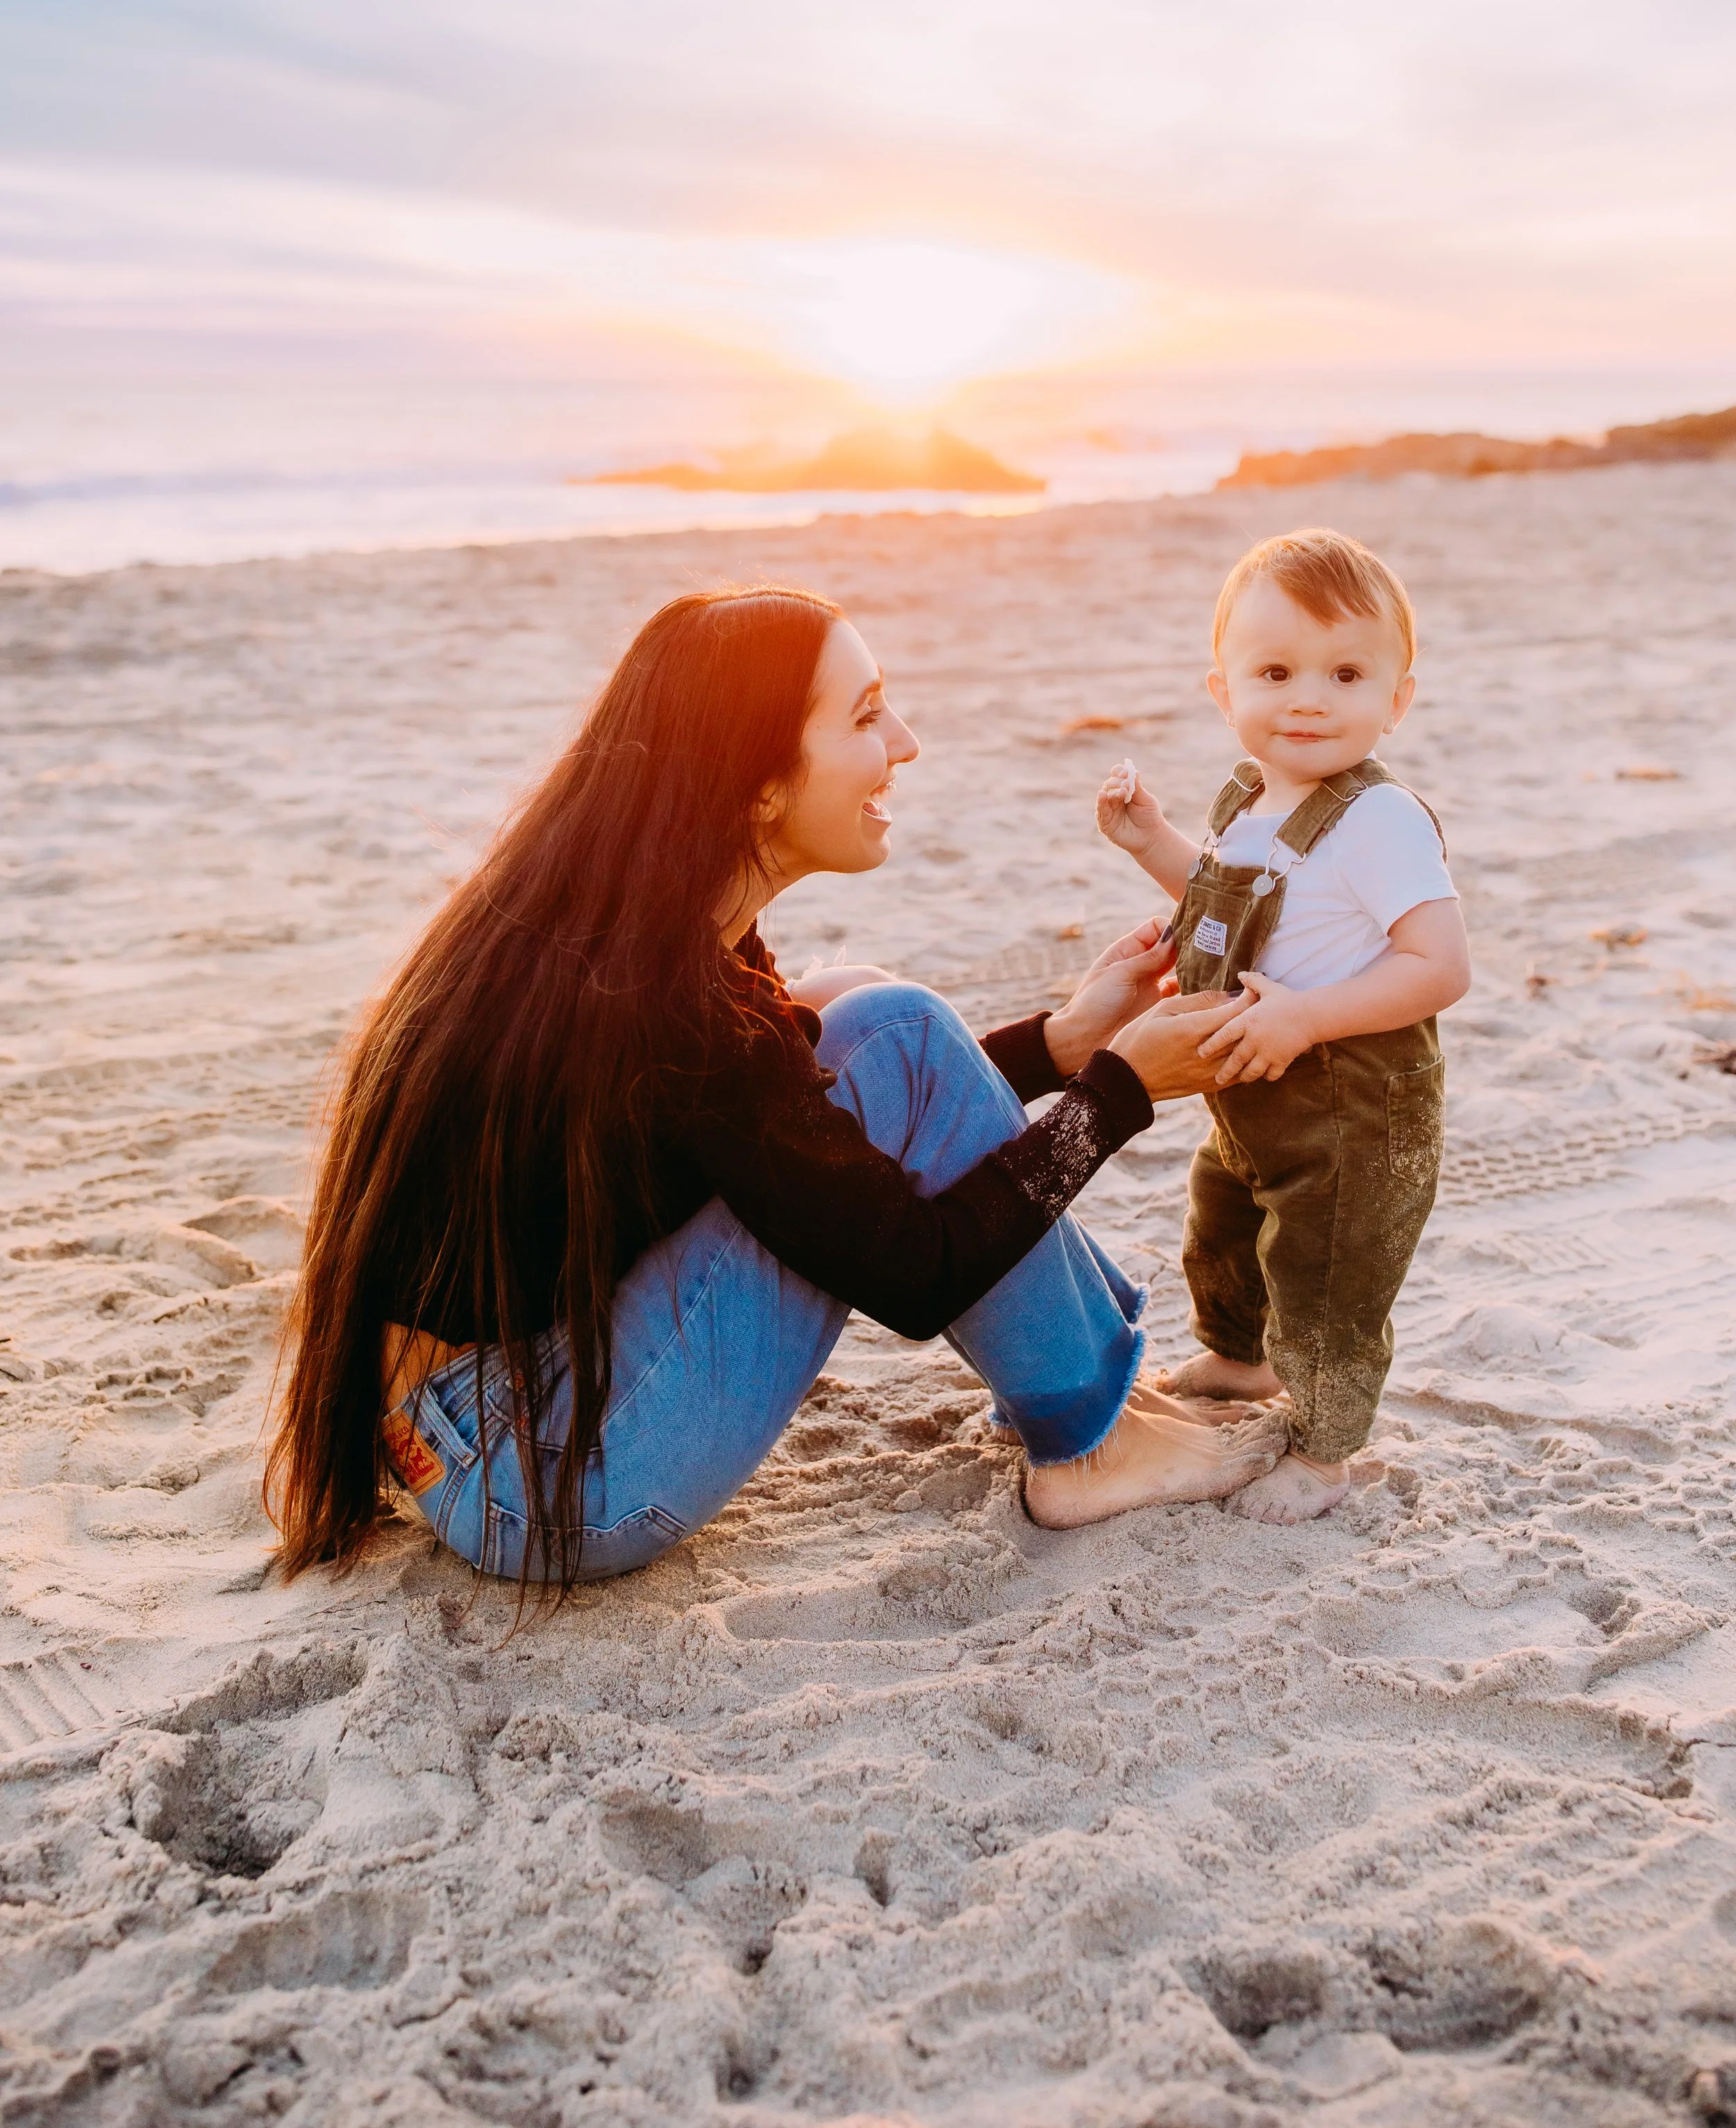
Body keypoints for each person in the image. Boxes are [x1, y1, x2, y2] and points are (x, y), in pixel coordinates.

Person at [267, 585, 1284, 1593]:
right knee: (895, 1035)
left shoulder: (635, 929)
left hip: (465, 1433)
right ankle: (1090, 1438)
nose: (907, 740)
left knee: (860, 1011)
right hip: (548, 1481)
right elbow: (911, 1269)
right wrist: (1118, 1092)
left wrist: (1060, 1046)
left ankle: (1090, 1407)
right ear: (758, 786)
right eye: (866, 713)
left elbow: (789, 1141)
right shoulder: (674, 1003)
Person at [1097, 528, 1471, 1525]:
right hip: (1252, 1094)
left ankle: (1326, 1446)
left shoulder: (1380, 820)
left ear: (1397, 700)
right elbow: (1234, 905)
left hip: (1353, 1107)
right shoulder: (1247, 798)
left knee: (1328, 1272)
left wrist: (1307, 1016)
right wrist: (1153, 846)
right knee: (1222, 1225)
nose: (1309, 696)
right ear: (1223, 691)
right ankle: (1237, 1355)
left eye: (1346, 672)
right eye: (1276, 670)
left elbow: (1440, 966)